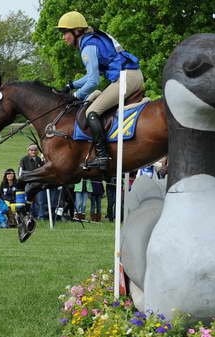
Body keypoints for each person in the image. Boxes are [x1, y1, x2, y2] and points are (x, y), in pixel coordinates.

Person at [56, 11, 143, 170]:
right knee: (94, 96)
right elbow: (91, 76)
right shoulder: (92, 40)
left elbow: (93, 81)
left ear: (76, 31)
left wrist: (75, 95)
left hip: (126, 78)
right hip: (131, 75)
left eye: (64, 33)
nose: (63, 38)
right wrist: (71, 85)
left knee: (92, 111)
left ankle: (103, 156)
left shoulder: (88, 47)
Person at [19, 144, 45, 219]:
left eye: (35, 150)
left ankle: (41, 216)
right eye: (31, 150)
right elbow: (21, 172)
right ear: (28, 151)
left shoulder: (39, 159)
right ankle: (30, 216)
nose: (33, 151)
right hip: (28, 184)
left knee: (40, 201)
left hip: (38, 184)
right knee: (29, 201)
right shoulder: (24, 159)